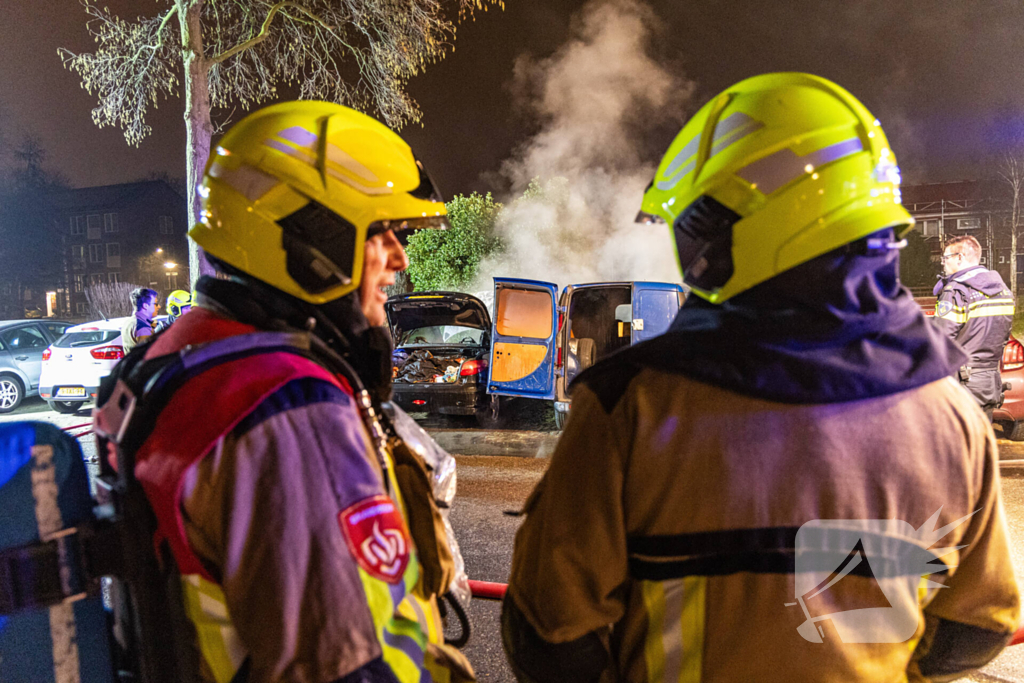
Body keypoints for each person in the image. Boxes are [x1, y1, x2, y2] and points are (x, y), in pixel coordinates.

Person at [502, 73, 1020, 683]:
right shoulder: (953, 420)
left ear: (765, 223)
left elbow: (548, 635)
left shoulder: (630, 407)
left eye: (701, 227)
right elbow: (978, 627)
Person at [95, 102, 472, 682]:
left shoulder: (175, 357)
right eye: (384, 232)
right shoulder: (289, 407)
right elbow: (349, 666)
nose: (400, 259)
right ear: (313, 239)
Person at [933, 235, 1015, 419]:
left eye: (945, 258)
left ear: (959, 257)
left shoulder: (956, 291)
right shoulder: (1003, 291)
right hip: (990, 380)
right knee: (982, 433)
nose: (943, 263)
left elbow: (940, 341)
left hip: (962, 384)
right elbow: (1003, 335)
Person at [121, 286, 157, 352]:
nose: (158, 306)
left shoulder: (128, 323)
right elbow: (148, 353)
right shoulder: (143, 327)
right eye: (155, 304)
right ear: (145, 306)